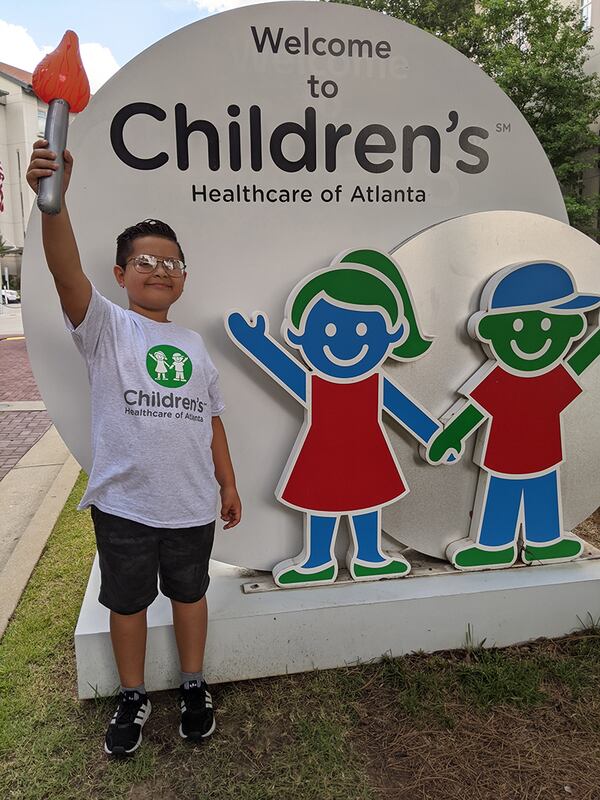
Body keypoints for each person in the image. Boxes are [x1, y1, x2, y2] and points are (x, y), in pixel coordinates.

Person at [26, 140, 242, 756]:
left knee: (190, 594)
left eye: (172, 262)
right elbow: (65, 267)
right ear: (120, 275)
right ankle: (132, 694)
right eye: (145, 261)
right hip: (125, 506)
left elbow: (213, 421)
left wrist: (226, 483)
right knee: (126, 603)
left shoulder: (196, 346)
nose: (160, 270)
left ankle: (195, 685)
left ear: (184, 276)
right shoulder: (104, 328)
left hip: (193, 504)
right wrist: (54, 203)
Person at [226, 248, 446, 588]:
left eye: (362, 330)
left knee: (367, 504)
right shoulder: (315, 383)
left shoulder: (375, 382)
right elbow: (283, 369)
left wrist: (435, 435)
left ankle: (369, 556)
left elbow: (406, 411)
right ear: (298, 335)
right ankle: (317, 560)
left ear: (392, 335)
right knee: (321, 505)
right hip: (323, 456)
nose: (345, 341)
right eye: (328, 330)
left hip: (367, 456)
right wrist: (256, 343)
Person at [426, 261, 600, 570]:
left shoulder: (552, 376)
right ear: (491, 332)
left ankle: (546, 542)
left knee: (543, 497)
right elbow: (473, 411)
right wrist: (450, 436)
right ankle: (493, 545)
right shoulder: (498, 379)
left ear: (573, 329)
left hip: (545, 456)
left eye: (548, 325)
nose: (535, 337)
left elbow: (582, 359)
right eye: (520, 326)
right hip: (502, 458)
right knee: (500, 500)